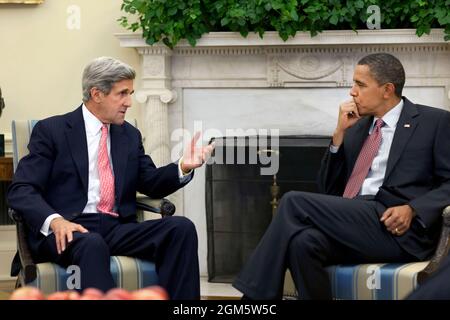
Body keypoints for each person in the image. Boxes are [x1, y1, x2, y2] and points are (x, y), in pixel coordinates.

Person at [232, 53, 450, 300]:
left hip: (397, 228)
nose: (352, 92)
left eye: (360, 84)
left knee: (293, 201)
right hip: (356, 219)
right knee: (303, 242)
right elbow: (329, 190)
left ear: (387, 89)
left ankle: (252, 300)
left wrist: (413, 208)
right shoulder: (357, 128)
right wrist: (338, 136)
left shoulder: (434, 122)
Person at [7, 57, 214, 300]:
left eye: (131, 93)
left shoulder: (129, 134)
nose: (129, 102)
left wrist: (183, 166)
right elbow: (21, 189)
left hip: (116, 228)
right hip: (67, 230)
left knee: (181, 228)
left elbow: (150, 182)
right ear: (97, 94)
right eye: (122, 93)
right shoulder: (52, 131)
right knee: (91, 243)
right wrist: (55, 221)